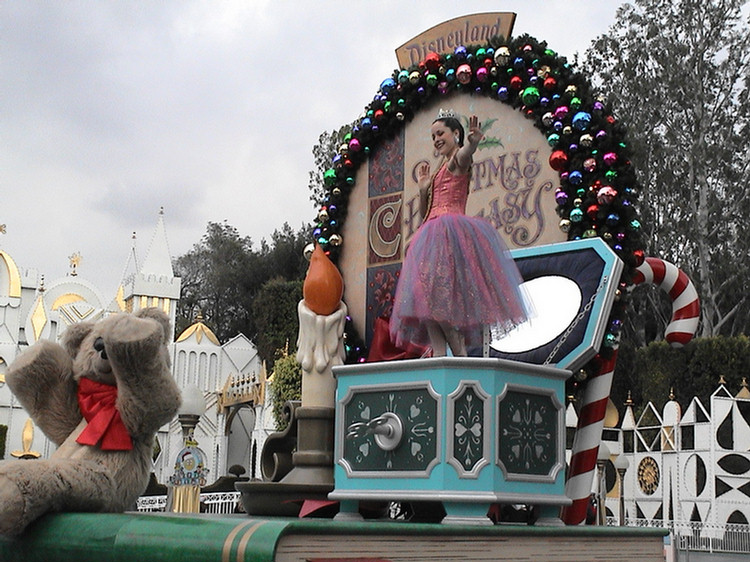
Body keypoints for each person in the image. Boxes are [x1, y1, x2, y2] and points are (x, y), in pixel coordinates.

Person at [389, 111, 528, 357]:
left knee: (439, 304)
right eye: (433, 136)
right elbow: (426, 213)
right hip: (431, 232)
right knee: (426, 305)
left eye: (440, 133)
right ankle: (440, 359)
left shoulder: (457, 160)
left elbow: (464, 158)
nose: (436, 140)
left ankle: (460, 356)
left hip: (448, 234)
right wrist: (423, 190)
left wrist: (472, 144)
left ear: (455, 134)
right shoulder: (437, 171)